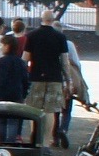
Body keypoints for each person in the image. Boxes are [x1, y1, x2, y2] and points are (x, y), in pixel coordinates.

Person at [23, 15, 75, 147]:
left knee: (33, 108)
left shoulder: (31, 35)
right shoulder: (60, 37)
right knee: (50, 110)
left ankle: (35, 138)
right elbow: (64, 61)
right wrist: (68, 80)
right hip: (54, 78)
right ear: (52, 21)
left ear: (41, 19)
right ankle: (46, 142)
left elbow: (25, 58)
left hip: (35, 77)